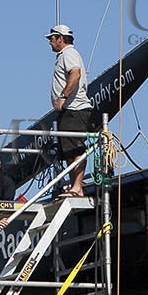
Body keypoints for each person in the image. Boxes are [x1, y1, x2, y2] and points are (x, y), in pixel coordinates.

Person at [46, 24, 94, 196]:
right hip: (68, 111)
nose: (50, 42)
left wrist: (63, 96)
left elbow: (75, 74)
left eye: (51, 38)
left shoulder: (69, 53)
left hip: (75, 109)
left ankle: (77, 187)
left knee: (75, 148)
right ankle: (75, 186)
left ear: (60, 38)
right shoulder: (63, 55)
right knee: (68, 149)